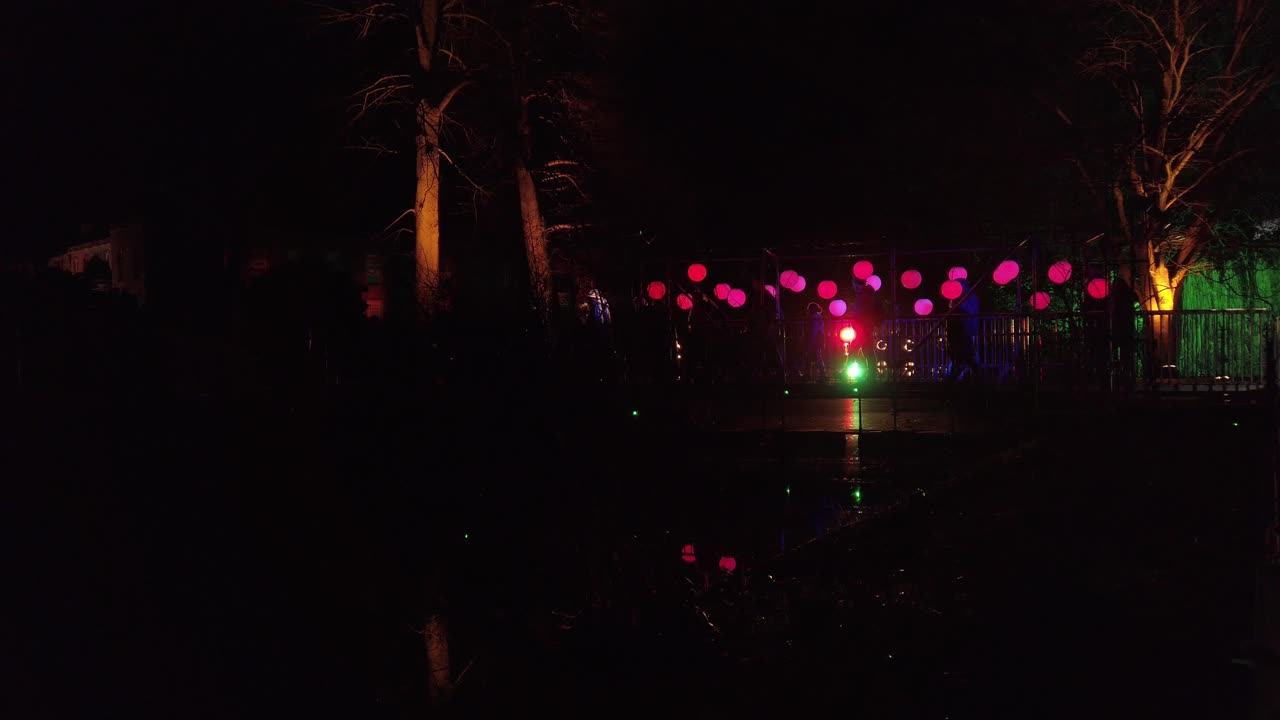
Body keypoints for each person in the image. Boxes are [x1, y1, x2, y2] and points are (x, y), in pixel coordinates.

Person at [947, 278, 979, 382]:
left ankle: (953, 379)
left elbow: (970, 312)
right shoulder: (956, 298)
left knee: (964, 356)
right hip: (959, 332)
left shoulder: (969, 298)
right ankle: (955, 377)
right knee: (963, 356)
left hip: (965, 331)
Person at [805, 302, 827, 380]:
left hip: (815, 338)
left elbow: (814, 329)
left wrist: (811, 340)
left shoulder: (813, 317)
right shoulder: (818, 316)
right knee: (816, 356)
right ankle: (822, 374)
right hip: (818, 338)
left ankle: (811, 374)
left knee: (813, 356)